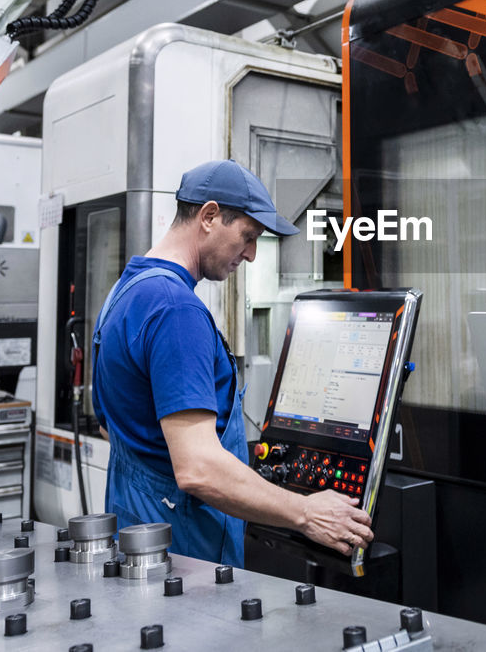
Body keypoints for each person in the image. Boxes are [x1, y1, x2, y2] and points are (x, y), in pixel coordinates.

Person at [92, 159, 373, 566]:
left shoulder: (125, 291)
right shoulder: (175, 310)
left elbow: (110, 425)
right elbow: (198, 468)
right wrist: (306, 512)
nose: (253, 253)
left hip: (136, 535)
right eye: (247, 235)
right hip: (185, 554)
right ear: (208, 216)